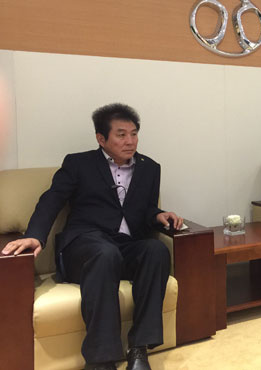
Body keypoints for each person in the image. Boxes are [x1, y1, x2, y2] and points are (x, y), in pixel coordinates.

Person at [1, 103, 184, 370]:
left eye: (134, 134)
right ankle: (101, 360)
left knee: (156, 251)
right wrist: (35, 236)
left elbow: (143, 208)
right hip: (84, 247)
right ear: (101, 138)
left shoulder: (150, 168)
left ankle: (138, 349)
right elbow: (52, 199)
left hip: (124, 247)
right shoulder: (78, 164)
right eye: (121, 135)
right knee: (104, 253)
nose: (130, 141)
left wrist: (157, 215)